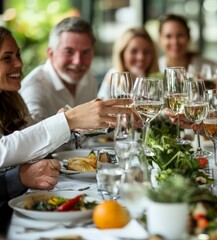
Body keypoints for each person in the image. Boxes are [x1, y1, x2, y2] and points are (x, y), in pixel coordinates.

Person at [0, 26, 125, 231]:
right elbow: (3, 150)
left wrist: (68, 122)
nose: (19, 64)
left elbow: (32, 145)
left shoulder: (11, 99)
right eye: (7, 58)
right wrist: (68, 120)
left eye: (18, 55)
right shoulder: (32, 88)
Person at [19, 17, 98, 123]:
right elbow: (33, 136)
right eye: (69, 52)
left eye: (85, 52)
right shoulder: (34, 88)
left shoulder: (89, 78)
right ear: (51, 54)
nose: (78, 62)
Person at [98, 26, 159, 100]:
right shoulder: (113, 77)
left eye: (146, 52)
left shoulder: (156, 80)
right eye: (134, 51)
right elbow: (100, 107)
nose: (141, 57)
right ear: (122, 53)